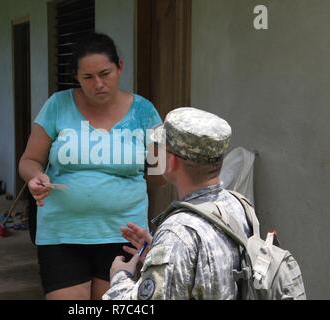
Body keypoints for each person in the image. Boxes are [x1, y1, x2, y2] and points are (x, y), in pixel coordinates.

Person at [19, 33, 162, 300]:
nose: (98, 84)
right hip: (62, 233)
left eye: (105, 73)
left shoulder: (145, 112)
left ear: (120, 66)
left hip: (124, 233)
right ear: (76, 76)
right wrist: (35, 177)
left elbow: (160, 171)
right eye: (88, 77)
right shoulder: (57, 105)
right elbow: (29, 160)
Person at [103, 107, 253, 300]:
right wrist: (159, 253)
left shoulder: (178, 234)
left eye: (161, 147)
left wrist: (119, 277)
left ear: (171, 161)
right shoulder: (239, 205)